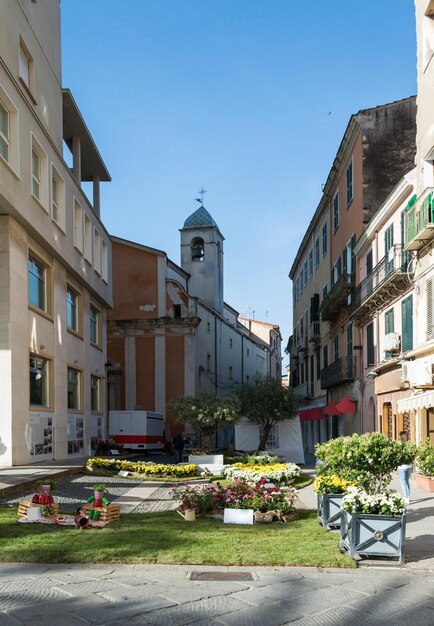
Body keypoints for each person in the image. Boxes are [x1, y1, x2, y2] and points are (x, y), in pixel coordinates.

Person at [398, 431, 412, 506]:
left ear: (401, 437)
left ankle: (406, 498)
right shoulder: (410, 444)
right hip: (409, 466)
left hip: (402, 466)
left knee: (403, 482)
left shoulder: (400, 445)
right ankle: (408, 497)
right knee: (407, 481)